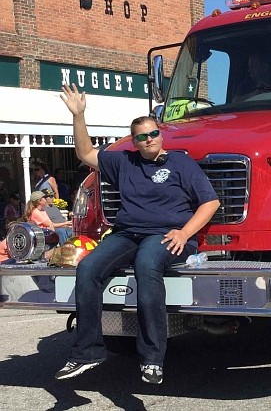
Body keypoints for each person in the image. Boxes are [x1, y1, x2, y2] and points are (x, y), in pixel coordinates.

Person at [55, 83, 220, 385]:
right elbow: (85, 152)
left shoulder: (181, 163)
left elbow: (210, 202)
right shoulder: (124, 161)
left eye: (153, 133)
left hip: (166, 236)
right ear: (134, 141)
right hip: (128, 233)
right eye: (141, 137)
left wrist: (185, 233)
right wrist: (79, 115)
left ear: (161, 133)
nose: (149, 140)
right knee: (88, 268)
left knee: (147, 265)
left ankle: (152, 359)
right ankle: (87, 352)